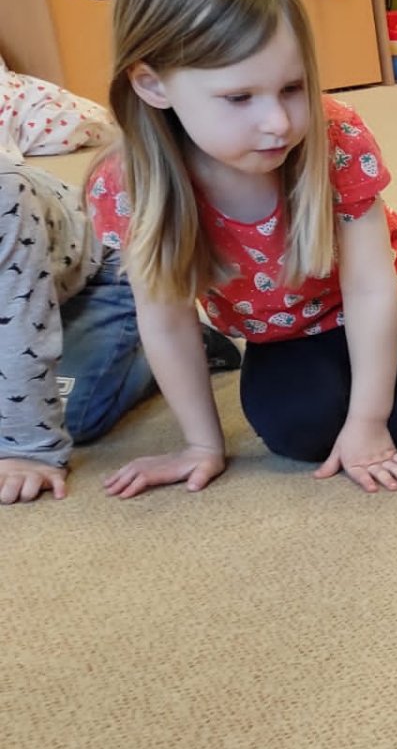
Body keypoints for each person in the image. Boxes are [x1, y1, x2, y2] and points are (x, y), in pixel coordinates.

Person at [86, 0, 397, 498]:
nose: (278, 122)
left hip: (385, 295)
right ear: (153, 85)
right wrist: (201, 444)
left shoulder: (335, 137)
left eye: (292, 88)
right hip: (280, 331)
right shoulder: (129, 187)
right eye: (240, 97)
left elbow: (370, 286)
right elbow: (165, 319)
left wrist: (368, 421)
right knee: (299, 432)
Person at [0, 152, 237, 504]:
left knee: (64, 414)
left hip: (102, 279)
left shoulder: (6, 193)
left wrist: (27, 451)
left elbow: (20, 324)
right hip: (29, 296)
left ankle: (180, 345)